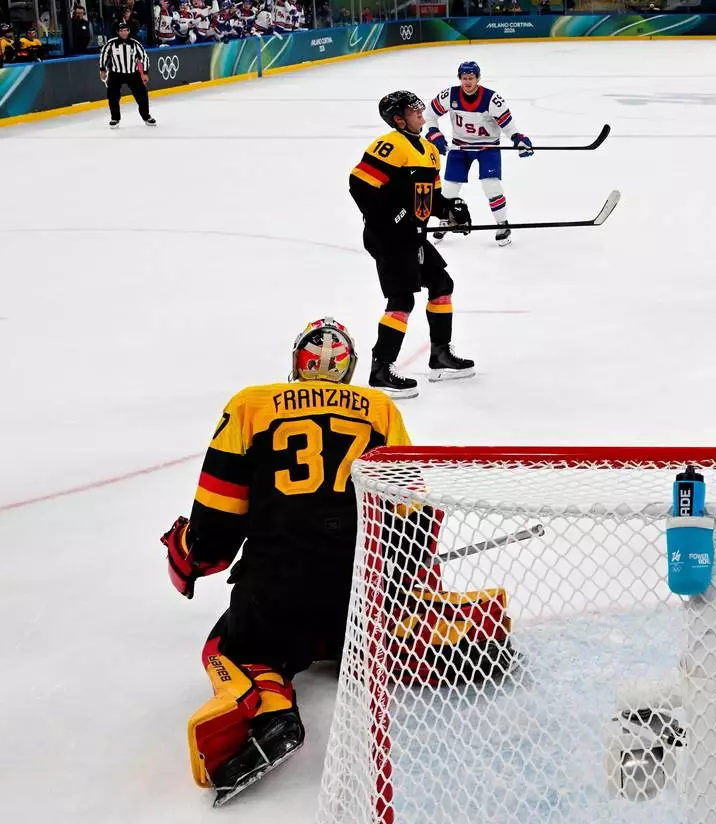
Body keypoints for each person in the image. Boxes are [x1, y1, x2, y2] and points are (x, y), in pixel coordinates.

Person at [159, 318, 412, 802]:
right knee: (367, 625)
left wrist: (189, 553)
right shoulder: (379, 408)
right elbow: (409, 510)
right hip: (358, 590)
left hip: (277, 584)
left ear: (297, 363)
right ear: (348, 367)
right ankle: (423, 634)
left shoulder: (251, 405)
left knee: (228, 646)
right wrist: (402, 585)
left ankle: (270, 706)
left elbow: (216, 521)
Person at [350, 90, 475, 398]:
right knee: (401, 300)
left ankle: (440, 355)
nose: (420, 113)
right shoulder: (390, 146)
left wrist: (450, 209)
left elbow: (428, 200)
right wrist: (392, 218)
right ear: (398, 119)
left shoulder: (430, 151)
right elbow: (360, 186)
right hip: (388, 237)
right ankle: (381, 369)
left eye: (420, 108)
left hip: (412, 235)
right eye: (412, 110)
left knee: (442, 285)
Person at [424, 61, 535, 246]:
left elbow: (507, 123)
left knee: (491, 185)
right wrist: (434, 133)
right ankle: (445, 220)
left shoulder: (491, 99)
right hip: (460, 146)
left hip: (487, 148)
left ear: (478, 78)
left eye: (471, 78)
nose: (467, 82)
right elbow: (429, 115)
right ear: (459, 78)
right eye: (464, 78)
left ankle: (502, 224)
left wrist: (517, 138)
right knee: (449, 188)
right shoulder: (450, 95)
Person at [99, 20, 155, 128]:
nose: (124, 32)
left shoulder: (135, 43)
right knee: (113, 97)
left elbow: (144, 58)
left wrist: (145, 73)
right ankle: (115, 118)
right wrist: (102, 70)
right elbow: (104, 56)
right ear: (118, 32)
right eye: (121, 31)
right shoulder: (111, 43)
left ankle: (146, 116)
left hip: (132, 73)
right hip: (115, 74)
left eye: (126, 30)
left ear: (129, 31)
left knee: (142, 95)